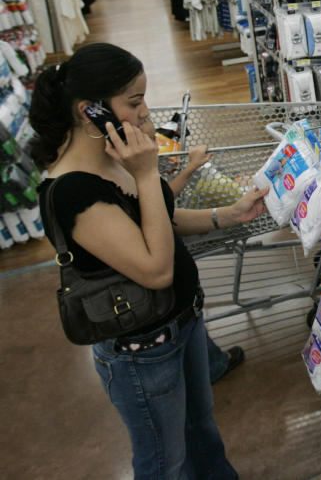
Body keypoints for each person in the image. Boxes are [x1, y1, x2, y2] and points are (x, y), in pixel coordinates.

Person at [30, 43, 267, 480]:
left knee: (201, 428)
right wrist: (144, 171)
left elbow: (160, 218)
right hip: (143, 352)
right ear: (90, 111)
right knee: (164, 460)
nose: (144, 113)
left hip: (183, 322)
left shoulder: (112, 157)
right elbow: (155, 269)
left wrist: (225, 216)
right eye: (134, 102)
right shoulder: (72, 193)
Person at [143, 117, 245, 385]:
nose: (146, 118)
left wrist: (190, 168)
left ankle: (211, 363)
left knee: (187, 313)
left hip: (178, 302)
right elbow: (160, 212)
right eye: (135, 103)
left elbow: (163, 204)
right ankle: (211, 365)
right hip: (163, 310)